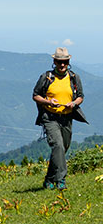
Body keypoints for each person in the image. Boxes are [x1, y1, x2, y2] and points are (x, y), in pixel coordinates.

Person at [32, 47, 87, 190]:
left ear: (68, 62)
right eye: (59, 62)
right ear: (54, 62)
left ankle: (49, 179)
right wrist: (48, 102)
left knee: (62, 149)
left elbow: (80, 96)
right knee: (58, 146)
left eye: (65, 62)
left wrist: (73, 103)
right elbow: (35, 95)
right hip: (50, 118)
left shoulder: (74, 77)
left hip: (67, 118)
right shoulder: (46, 77)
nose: (62, 65)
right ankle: (61, 180)